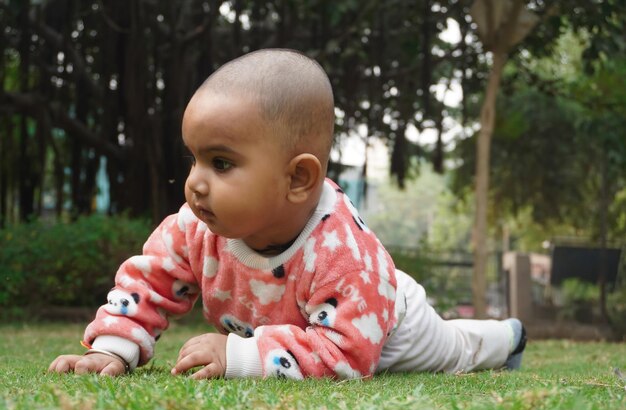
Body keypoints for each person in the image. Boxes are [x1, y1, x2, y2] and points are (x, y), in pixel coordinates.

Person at [49, 49, 526, 380]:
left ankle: (507, 338)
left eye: (221, 163)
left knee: (456, 351)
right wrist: (115, 347)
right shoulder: (195, 228)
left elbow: (347, 356)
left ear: (297, 179)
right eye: (193, 158)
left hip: (388, 324)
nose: (195, 181)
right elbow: (148, 283)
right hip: (310, 330)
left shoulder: (343, 255)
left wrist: (243, 356)